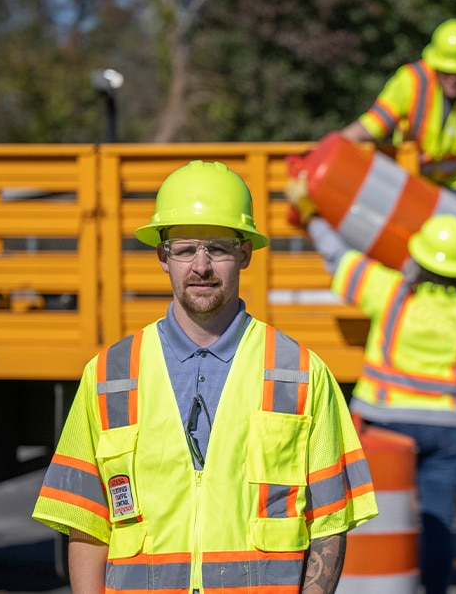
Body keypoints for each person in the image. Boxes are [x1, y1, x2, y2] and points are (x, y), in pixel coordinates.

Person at [32, 160, 378, 594]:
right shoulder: (109, 375)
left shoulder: (301, 373)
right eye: (184, 249)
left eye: (217, 248)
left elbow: (329, 522)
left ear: (244, 254)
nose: (200, 266)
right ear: (163, 256)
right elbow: (86, 521)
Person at [286, 189, 456, 594]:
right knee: (436, 522)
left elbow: (339, 257)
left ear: (419, 258)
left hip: (386, 425)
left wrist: (309, 212)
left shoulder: (389, 292)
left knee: (371, 519)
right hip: (449, 430)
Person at [340, 18, 456, 221]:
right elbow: (371, 125)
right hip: (416, 179)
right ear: (434, 64)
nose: (453, 78)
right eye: (447, 71)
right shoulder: (410, 81)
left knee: (451, 231)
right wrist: (332, 147)